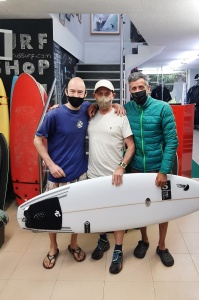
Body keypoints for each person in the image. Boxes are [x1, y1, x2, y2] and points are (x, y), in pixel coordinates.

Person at [34, 77, 125, 269]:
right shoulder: (54, 114)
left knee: (76, 212)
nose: (76, 95)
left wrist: (116, 104)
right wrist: (49, 164)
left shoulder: (86, 109)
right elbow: (37, 140)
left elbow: (103, 101)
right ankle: (52, 248)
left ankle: (73, 244)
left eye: (79, 92)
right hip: (55, 176)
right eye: (72, 91)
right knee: (53, 215)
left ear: (84, 95)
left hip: (79, 174)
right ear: (66, 91)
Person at [124, 72, 178, 267]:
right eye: (133, 89)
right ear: (129, 91)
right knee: (142, 206)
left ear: (148, 88)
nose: (137, 91)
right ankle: (144, 239)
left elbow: (172, 141)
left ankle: (162, 246)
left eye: (141, 87)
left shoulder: (163, 108)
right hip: (137, 169)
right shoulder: (126, 109)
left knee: (164, 207)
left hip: (159, 168)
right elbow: (106, 113)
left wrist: (164, 170)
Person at [87, 79, 135, 274]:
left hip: (115, 177)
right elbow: (71, 107)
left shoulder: (120, 116)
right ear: (94, 96)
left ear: (114, 95)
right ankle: (103, 240)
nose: (104, 96)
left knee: (117, 214)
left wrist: (122, 167)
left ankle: (118, 250)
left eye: (108, 93)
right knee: (98, 212)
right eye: (100, 93)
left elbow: (130, 145)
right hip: (93, 175)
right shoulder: (90, 113)